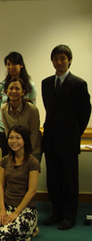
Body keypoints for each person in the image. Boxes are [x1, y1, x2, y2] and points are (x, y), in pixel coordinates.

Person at [41, 44, 91, 230]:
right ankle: (57, 213)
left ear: (69, 60)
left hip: (69, 141)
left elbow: (85, 113)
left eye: (63, 58)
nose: (59, 62)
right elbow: (49, 110)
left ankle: (69, 216)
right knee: (53, 179)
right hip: (50, 140)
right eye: (56, 58)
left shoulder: (78, 84)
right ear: (52, 61)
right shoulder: (46, 83)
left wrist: (75, 133)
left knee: (70, 181)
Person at [0, 125, 40, 240]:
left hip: (25, 209)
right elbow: (0, 186)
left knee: (7, 237)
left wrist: (16, 212)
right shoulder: (5, 160)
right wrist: (2, 209)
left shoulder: (32, 162)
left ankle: (32, 227)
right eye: (11, 137)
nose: (14, 141)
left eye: (18, 138)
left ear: (25, 140)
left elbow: (32, 191)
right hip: (6, 207)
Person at [0, 52, 37, 157]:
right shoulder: (1, 85)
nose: (11, 67)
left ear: (21, 65)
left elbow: (32, 110)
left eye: (14, 64)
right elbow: (1, 107)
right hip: (3, 130)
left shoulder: (30, 86)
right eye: (8, 64)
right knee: (4, 163)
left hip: (22, 133)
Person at [1, 77, 42, 161]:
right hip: (15, 149)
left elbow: (34, 134)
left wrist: (26, 153)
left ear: (23, 92)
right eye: (11, 88)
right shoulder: (4, 109)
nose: (14, 91)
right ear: (6, 91)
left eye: (17, 89)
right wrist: (15, 151)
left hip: (33, 150)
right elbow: (8, 133)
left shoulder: (32, 109)